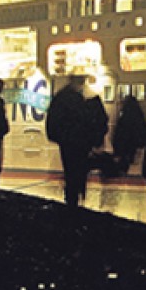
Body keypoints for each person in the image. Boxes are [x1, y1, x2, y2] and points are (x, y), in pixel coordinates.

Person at [46, 75, 91, 207]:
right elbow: (82, 119)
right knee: (76, 169)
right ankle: (75, 197)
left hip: (65, 140)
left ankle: (72, 197)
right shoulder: (75, 98)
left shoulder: (60, 97)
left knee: (70, 168)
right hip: (75, 139)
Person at [112, 95, 146, 174]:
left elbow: (119, 133)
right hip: (135, 143)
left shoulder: (124, 117)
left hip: (125, 144)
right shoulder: (139, 116)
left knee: (124, 161)